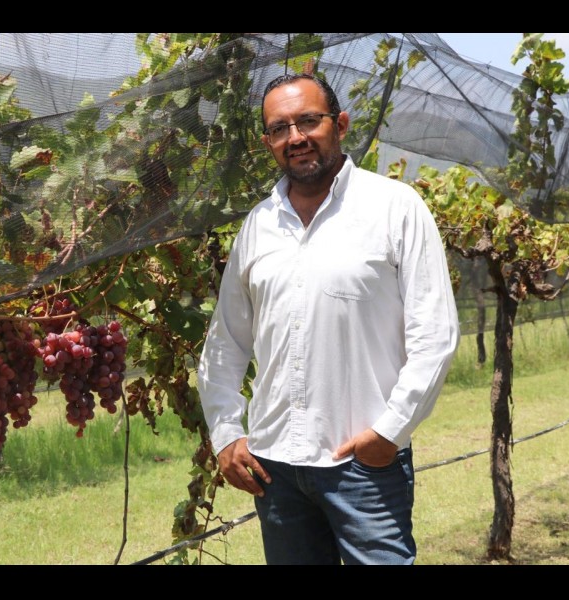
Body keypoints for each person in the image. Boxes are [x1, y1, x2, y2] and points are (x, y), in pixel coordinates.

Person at [197, 73, 460, 565]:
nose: (295, 137)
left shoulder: (395, 208)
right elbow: (225, 342)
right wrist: (226, 433)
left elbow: (435, 335)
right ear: (268, 143)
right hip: (275, 468)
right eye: (279, 129)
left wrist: (389, 432)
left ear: (339, 124)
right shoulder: (257, 225)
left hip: (364, 464)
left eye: (308, 121)